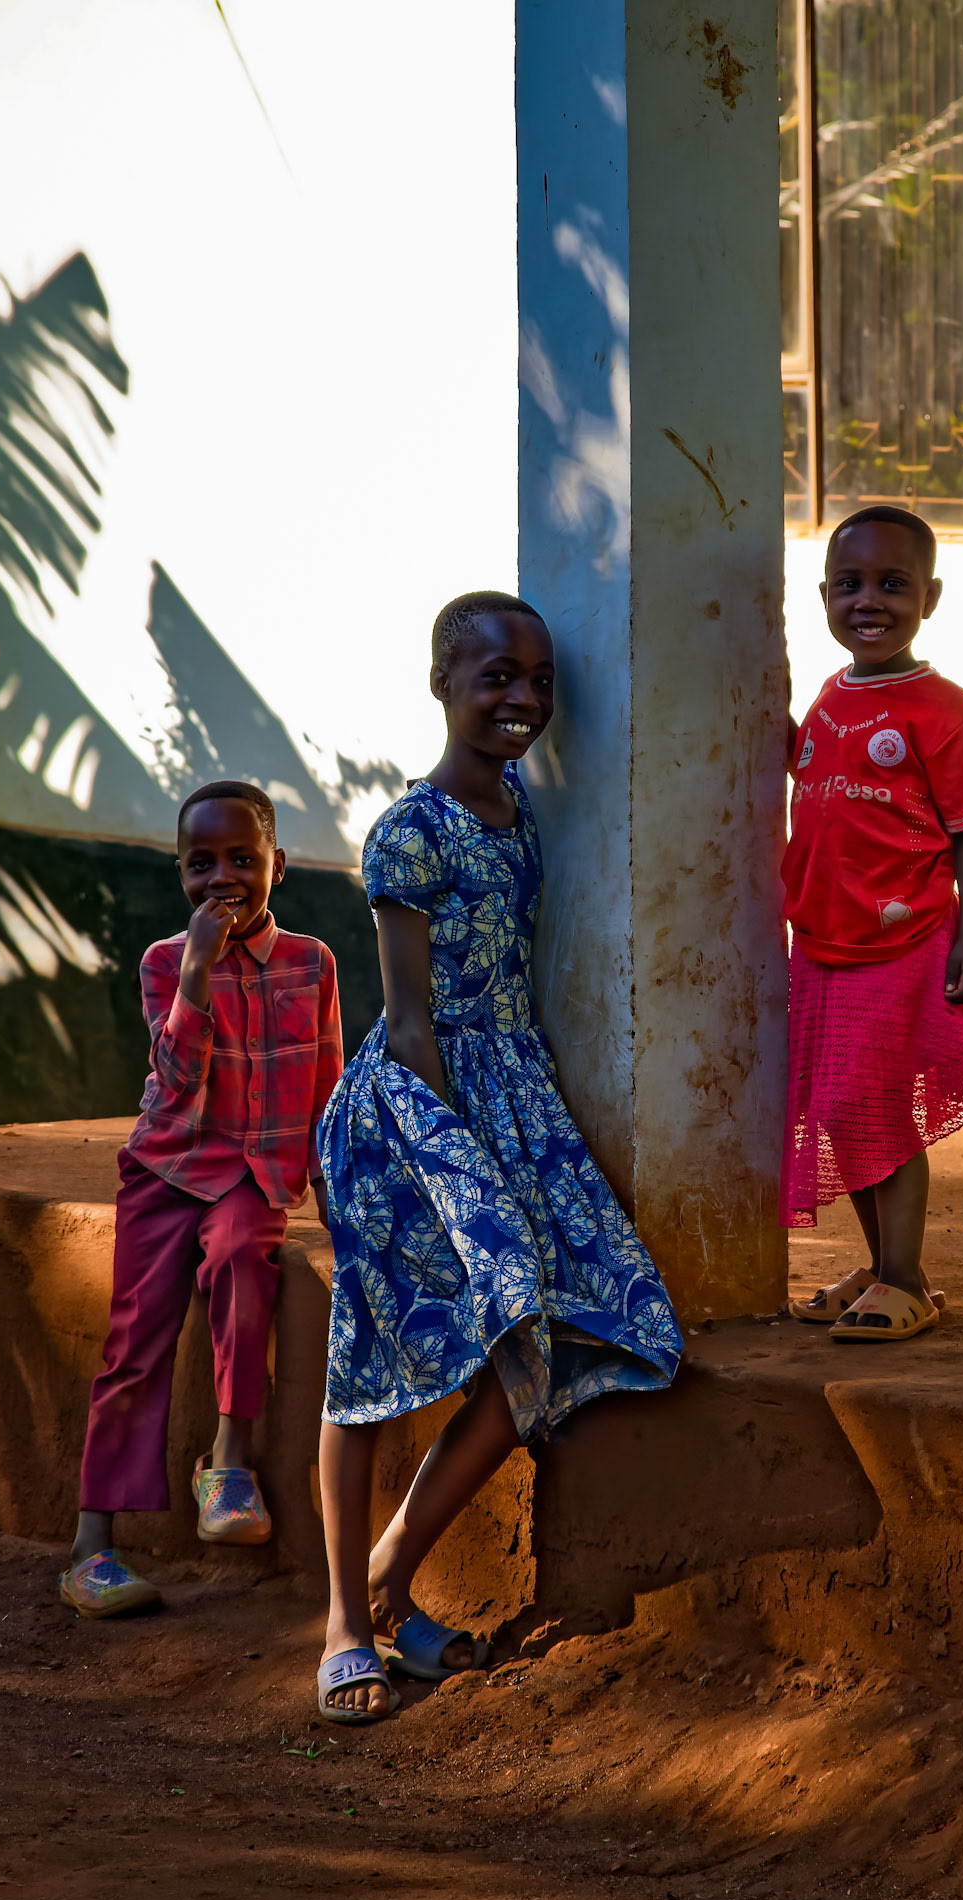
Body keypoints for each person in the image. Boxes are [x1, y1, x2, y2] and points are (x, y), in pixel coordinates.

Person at [315, 591, 681, 1725]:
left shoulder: (521, 809)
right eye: (496, 678)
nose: (522, 699)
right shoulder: (409, 832)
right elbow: (409, 1018)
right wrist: (458, 1159)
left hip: (514, 1096)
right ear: (442, 684)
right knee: (368, 1356)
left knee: (558, 1333)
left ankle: (389, 1575)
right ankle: (344, 1622)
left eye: (539, 681)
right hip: (411, 1114)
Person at [60, 781, 343, 1616]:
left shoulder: (313, 963)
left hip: (255, 1177)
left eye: (242, 859)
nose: (222, 878)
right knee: (134, 1342)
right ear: (179, 871)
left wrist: (330, 1192)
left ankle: (229, 1463)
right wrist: (196, 969)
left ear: (278, 866)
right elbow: (177, 1078)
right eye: (201, 863)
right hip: (167, 1169)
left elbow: (325, 1085)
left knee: (242, 1261)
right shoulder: (163, 961)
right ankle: (90, 1548)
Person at [784, 507, 963, 1341]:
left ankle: (906, 1280)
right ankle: (880, 1267)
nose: (869, 601)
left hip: (901, 944)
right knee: (841, 1115)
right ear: (823, 595)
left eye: (892, 584)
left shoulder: (943, 708)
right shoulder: (828, 697)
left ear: (931, 597)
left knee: (880, 1112)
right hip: (820, 946)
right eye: (849, 584)